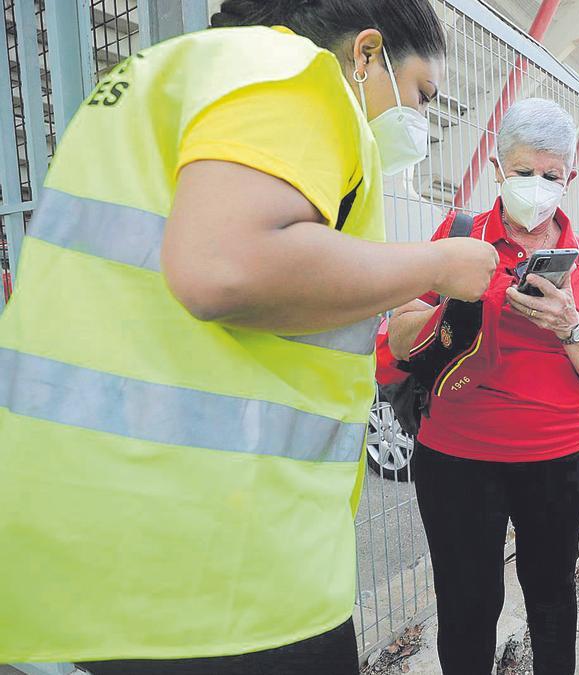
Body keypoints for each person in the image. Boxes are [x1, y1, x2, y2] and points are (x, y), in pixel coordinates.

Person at [0, 1, 500, 671]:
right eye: (419, 93)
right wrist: (439, 264)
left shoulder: (148, 83)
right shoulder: (287, 67)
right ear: (367, 54)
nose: (419, 118)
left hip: (81, 552)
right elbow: (223, 268)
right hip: (219, 574)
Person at [386, 98, 579, 674]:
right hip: (458, 459)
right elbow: (399, 337)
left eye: (550, 175)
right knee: (468, 604)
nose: (535, 186)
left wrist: (570, 325)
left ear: (568, 178)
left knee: (550, 594)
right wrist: (463, 294)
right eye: (523, 172)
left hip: (560, 459)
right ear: (498, 168)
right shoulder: (458, 235)